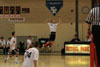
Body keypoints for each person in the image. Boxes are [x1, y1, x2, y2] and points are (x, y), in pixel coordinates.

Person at [85, 1, 100, 66]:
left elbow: (89, 21)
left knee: (97, 46)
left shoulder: (93, 10)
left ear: (98, 3)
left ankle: (98, 63)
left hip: (96, 28)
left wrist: (88, 30)